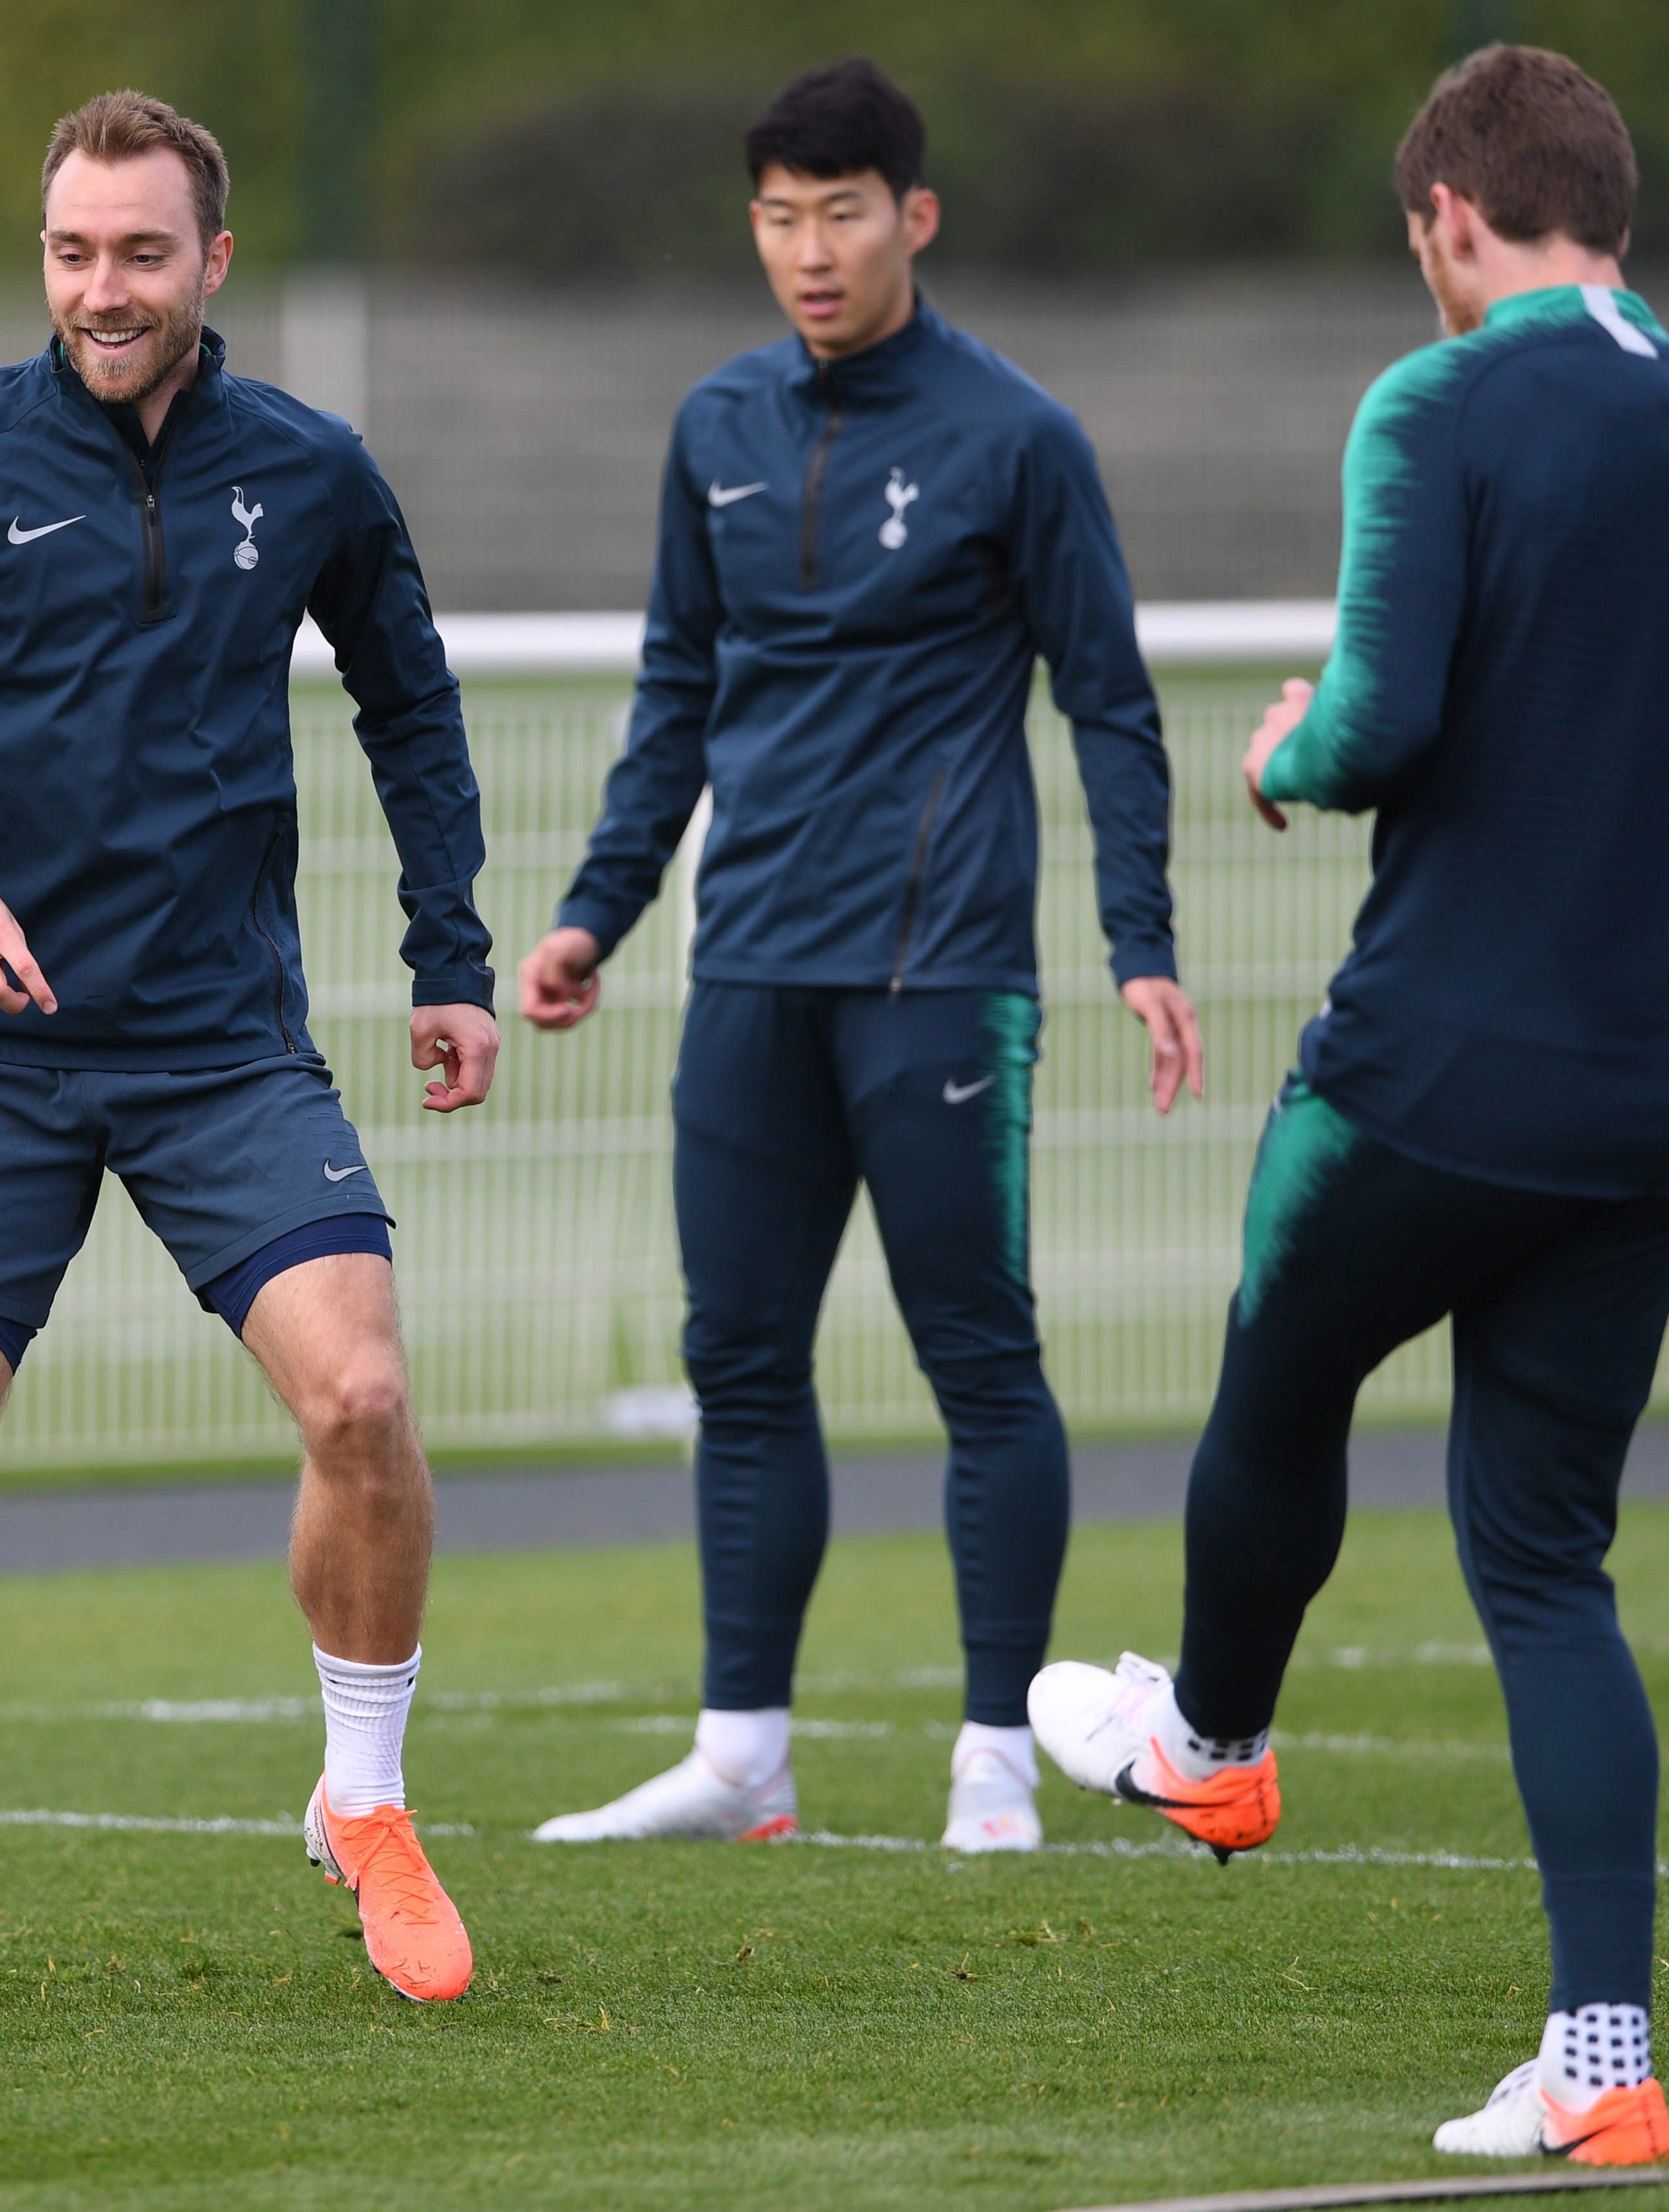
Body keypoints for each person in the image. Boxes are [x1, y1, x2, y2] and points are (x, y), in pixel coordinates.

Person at [1027, 45, 1669, 2165]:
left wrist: (1283, 752)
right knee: (1543, 1561)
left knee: (1280, 1357)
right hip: (1661, 1105)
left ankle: (1212, 1735)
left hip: (1438, 1068)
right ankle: (1607, 2069)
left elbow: (1385, 716)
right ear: (1616, 208)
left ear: (1444, 222)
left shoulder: (1443, 397)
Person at [0, 90, 499, 2007]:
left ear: (213, 262)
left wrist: (451, 954)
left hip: (220, 1044)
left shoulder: (311, 472)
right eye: (74, 251)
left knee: (362, 1404)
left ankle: (363, 1796)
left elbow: (410, 707)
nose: (105, 286)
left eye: (142, 252)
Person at [521, 58, 1201, 1855]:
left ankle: (995, 1751)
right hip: (749, 971)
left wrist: (1143, 937)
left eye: (841, 212)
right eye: (777, 216)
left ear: (916, 215)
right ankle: (743, 1753)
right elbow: (679, 695)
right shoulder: (715, 429)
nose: (808, 251)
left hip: (942, 972)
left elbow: (1112, 705)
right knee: (738, 1357)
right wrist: (600, 908)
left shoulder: (1017, 437)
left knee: (978, 1358)